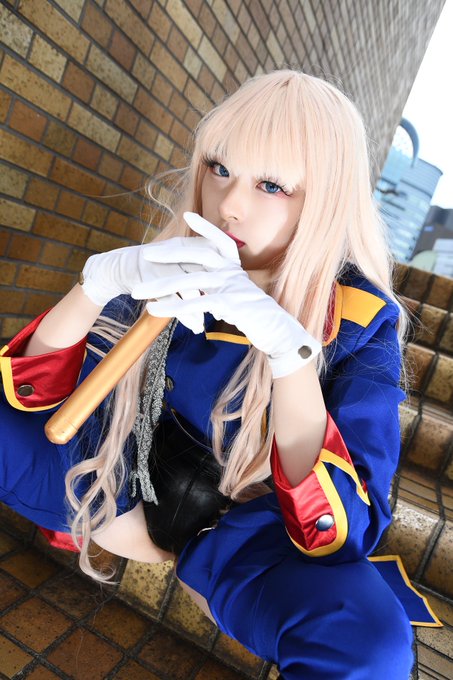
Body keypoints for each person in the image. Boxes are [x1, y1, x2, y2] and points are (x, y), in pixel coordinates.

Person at [0, 70, 438, 678]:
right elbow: (35, 397)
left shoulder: (362, 318)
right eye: (220, 168)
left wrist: (291, 357)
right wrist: (93, 286)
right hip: (108, 483)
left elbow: (341, 531)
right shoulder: (178, 255)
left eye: (272, 185)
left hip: (245, 540)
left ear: (326, 198)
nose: (230, 203)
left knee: (369, 641)